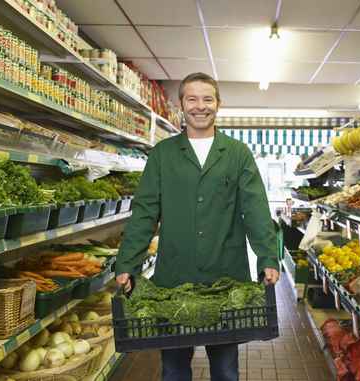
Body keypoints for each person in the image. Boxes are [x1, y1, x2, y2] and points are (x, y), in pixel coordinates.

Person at [115, 72, 280, 381]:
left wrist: (268, 257)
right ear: (181, 105)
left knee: (226, 370)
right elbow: (144, 213)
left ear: (219, 104)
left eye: (208, 99)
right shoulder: (163, 155)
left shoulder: (237, 154)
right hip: (174, 280)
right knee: (174, 369)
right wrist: (127, 263)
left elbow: (255, 209)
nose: (200, 106)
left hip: (227, 281)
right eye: (192, 99)